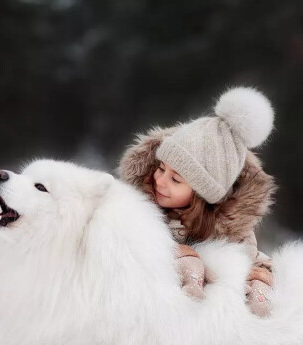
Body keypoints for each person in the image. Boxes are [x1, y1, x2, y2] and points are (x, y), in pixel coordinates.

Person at [118, 87, 276, 317]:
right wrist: (182, 254)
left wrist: (260, 278)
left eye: (175, 179)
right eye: (161, 168)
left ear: (202, 193)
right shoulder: (140, 208)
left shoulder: (229, 230)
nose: (160, 181)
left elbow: (254, 259)